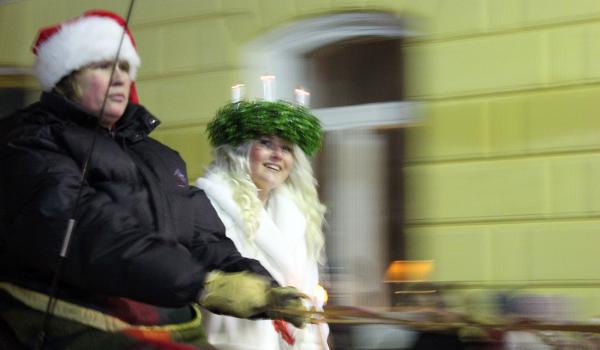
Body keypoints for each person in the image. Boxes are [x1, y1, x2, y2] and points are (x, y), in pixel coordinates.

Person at [0, 10, 306, 349]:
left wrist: (267, 289)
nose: (120, 78)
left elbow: (202, 237)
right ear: (66, 77)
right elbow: (89, 231)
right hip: (71, 325)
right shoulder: (30, 141)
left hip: (169, 325)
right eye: (103, 66)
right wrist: (203, 284)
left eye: (125, 68)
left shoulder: (159, 156)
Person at [196, 99, 330, 349]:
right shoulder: (208, 203)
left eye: (287, 148)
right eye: (266, 143)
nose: (278, 155)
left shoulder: (298, 216)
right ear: (240, 150)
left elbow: (310, 293)